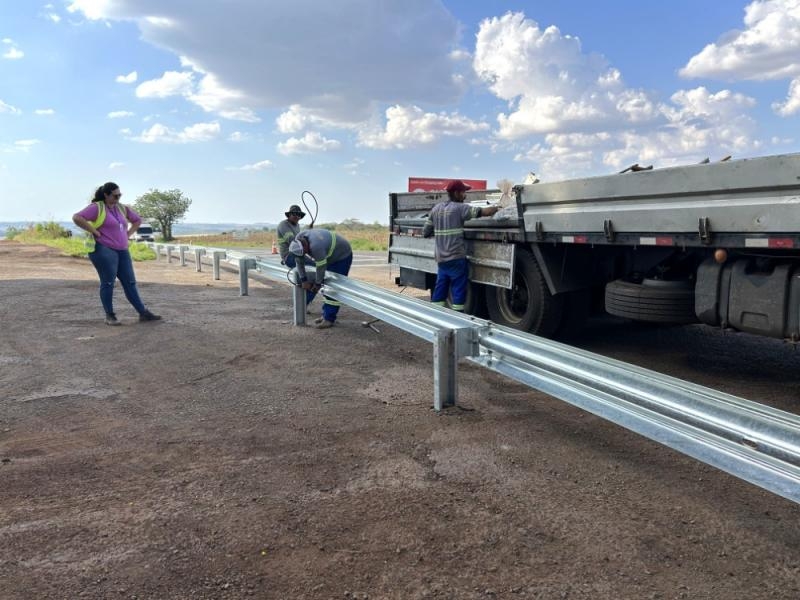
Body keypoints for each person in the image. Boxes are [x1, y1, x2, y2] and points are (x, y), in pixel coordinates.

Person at [72, 182, 162, 326]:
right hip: (103, 249)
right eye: (115, 196)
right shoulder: (97, 207)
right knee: (108, 282)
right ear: (106, 195)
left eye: (120, 195)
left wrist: (128, 234)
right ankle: (110, 316)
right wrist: (94, 231)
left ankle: (143, 313)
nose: (118, 198)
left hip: (122, 250)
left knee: (130, 282)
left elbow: (137, 220)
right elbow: (77, 217)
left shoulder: (121, 208)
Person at [422, 179, 499, 311]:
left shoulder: (436, 209)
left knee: (440, 288)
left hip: (441, 259)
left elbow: (425, 232)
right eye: (463, 192)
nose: (465, 195)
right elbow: (483, 212)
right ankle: (458, 316)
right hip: (456, 258)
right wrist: (497, 208)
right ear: (456, 193)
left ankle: (435, 315)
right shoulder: (460, 208)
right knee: (458, 290)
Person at [288, 229, 352, 329]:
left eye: (305, 252)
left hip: (342, 256)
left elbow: (320, 268)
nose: (305, 255)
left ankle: (329, 319)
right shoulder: (298, 240)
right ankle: (325, 315)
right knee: (326, 285)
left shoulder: (316, 247)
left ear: (305, 246)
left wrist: (317, 284)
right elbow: (299, 262)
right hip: (329, 255)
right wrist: (304, 280)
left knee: (333, 288)